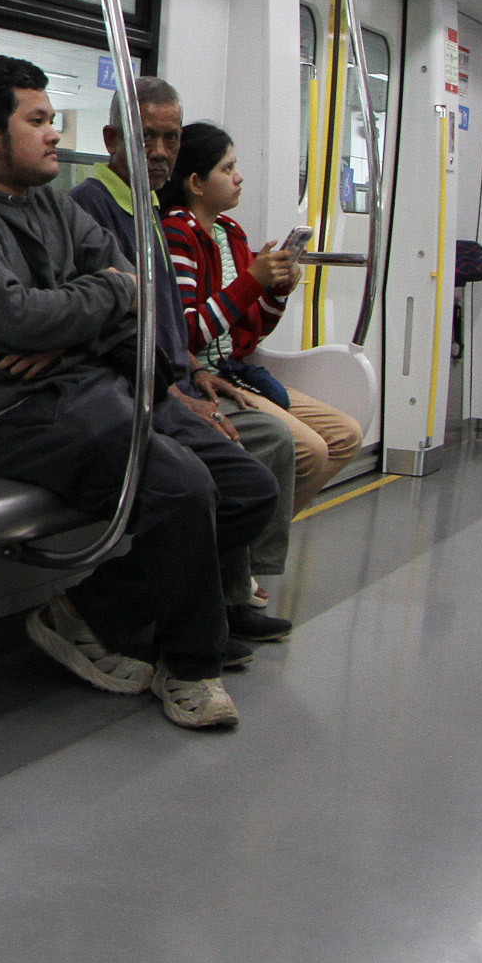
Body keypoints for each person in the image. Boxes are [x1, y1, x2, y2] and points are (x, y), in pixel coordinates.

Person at [0, 56, 279, 731]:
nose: (55, 132)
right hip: (16, 415)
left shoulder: (53, 203)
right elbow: (21, 318)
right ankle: (192, 668)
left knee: (249, 489)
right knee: (185, 488)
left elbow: (142, 303)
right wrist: (108, 293)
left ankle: (88, 610)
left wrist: (79, 321)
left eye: (52, 118)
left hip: (97, 386)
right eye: (38, 120)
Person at [67, 77, 300, 611]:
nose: (159, 152)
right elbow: (109, 333)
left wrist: (193, 369)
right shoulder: (90, 210)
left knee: (269, 441)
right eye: (145, 137)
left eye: (170, 138)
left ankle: (227, 597)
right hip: (138, 395)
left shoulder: (149, 207)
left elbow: (172, 324)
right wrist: (173, 394)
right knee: (252, 454)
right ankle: (168, 605)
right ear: (111, 139)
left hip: (177, 382)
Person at [156, 123, 362, 523]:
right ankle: (250, 540)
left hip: (238, 369)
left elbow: (252, 331)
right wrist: (252, 282)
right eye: (227, 168)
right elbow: (187, 333)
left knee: (345, 436)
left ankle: (255, 534)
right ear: (196, 183)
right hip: (203, 377)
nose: (239, 177)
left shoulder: (230, 233)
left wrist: (276, 291)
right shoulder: (177, 233)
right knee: (310, 450)